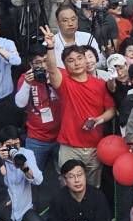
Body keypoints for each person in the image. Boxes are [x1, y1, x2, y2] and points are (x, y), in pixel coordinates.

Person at [40, 25, 115, 186]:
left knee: (93, 188)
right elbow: (52, 70)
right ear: (66, 66)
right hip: (70, 147)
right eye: (71, 61)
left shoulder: (100, 84)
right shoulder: (64, 83)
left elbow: (111, 110)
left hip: (95, 147)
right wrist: (50, 46)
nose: (77, 63)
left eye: (80, 58)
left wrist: (98, 120)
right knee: (68, 188)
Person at [0, 126, 50, 221]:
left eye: (16, 144)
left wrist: (23, 166)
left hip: (24, 210)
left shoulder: (26, 154)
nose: (14, 148)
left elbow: (38, 180)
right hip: (4, 212)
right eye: (9, 145)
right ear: (1, 145)